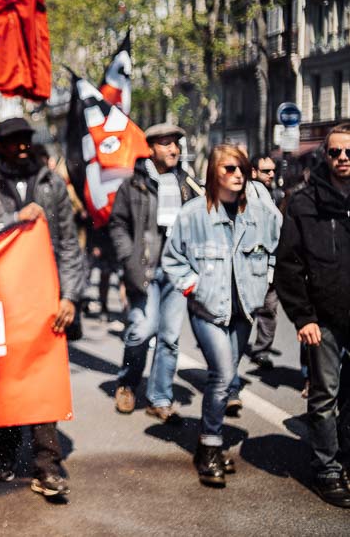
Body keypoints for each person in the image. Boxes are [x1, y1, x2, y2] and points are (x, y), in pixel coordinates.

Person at [0, 117, 84, 498]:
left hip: (43, 299)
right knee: (1, 377)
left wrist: (70, 296)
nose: (22, 148)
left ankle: (47, 465)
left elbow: (67, 244)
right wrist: (15, 219)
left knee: (41, 377)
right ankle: (1, 452)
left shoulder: (52, 184)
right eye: (13, 142)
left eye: (26, 141)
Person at [162, 144, 280, 488]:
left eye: (242, 168)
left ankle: (206, 444)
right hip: (208, 310)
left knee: (227, 378)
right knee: (223, 374)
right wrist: (193, 287)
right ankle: (211, 446)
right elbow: (172, 260)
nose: (238, 175)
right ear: (215, 172)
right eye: (230, 169)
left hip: (244, 308)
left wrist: (266, 278)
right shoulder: (193, 214)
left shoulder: (259, 213)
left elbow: (279, 244)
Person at [274, 123, 350, 508]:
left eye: (348, 152)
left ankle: (345, 457)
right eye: (335, 152)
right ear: (325, 156)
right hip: (324, 318)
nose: (342, 159)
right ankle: (327, 469)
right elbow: (287, 265)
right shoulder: (305, 203)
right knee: (324, 397)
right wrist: (303, 317)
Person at [108, 123, 201, 422]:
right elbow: (118, 225)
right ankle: (127, 382)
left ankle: (160, 398)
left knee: (170, 337)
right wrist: (128, 260)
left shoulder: (188, 184)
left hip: (177, 271)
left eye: (176, 143)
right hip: (144, 270)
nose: (173, 149)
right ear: (150, 148)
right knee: (142, 330)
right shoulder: (133, 184)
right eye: (165, 143)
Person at [244, 154, 285, 372]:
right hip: (250, 262)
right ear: (253, 172)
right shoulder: (245, 193)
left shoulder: (278, 194)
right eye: (265, 171)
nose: (271, 174)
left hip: (271, 261)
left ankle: (262, 351)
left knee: (269, 308)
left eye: (272, 171)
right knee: (245, 309)